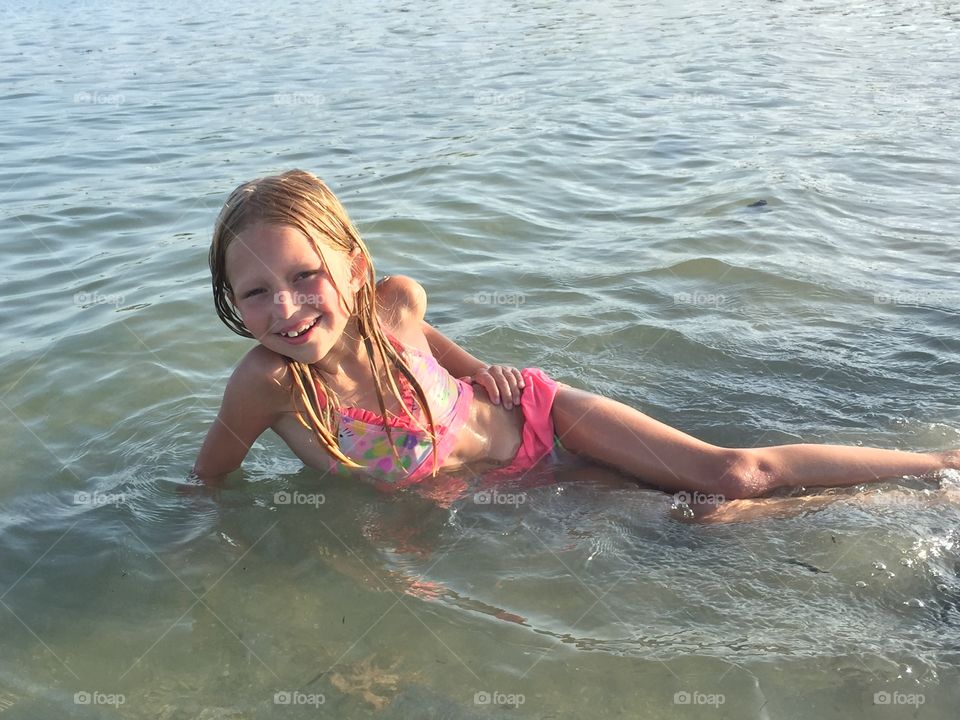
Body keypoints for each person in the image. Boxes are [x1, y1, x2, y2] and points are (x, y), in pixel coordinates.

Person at [192, 169, 959, 501]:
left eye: (304, 276)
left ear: (354, 268)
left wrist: (478, 366)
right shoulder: (267, 386)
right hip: (509, 489)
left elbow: (428, 343)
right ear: (233, 302)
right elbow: (209, 482)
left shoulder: (395, 301)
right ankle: (905, 505)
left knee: (730, 477)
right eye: (255, 293)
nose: (285, 308)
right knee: (701, 523)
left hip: (541, 416)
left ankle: (937, 463)